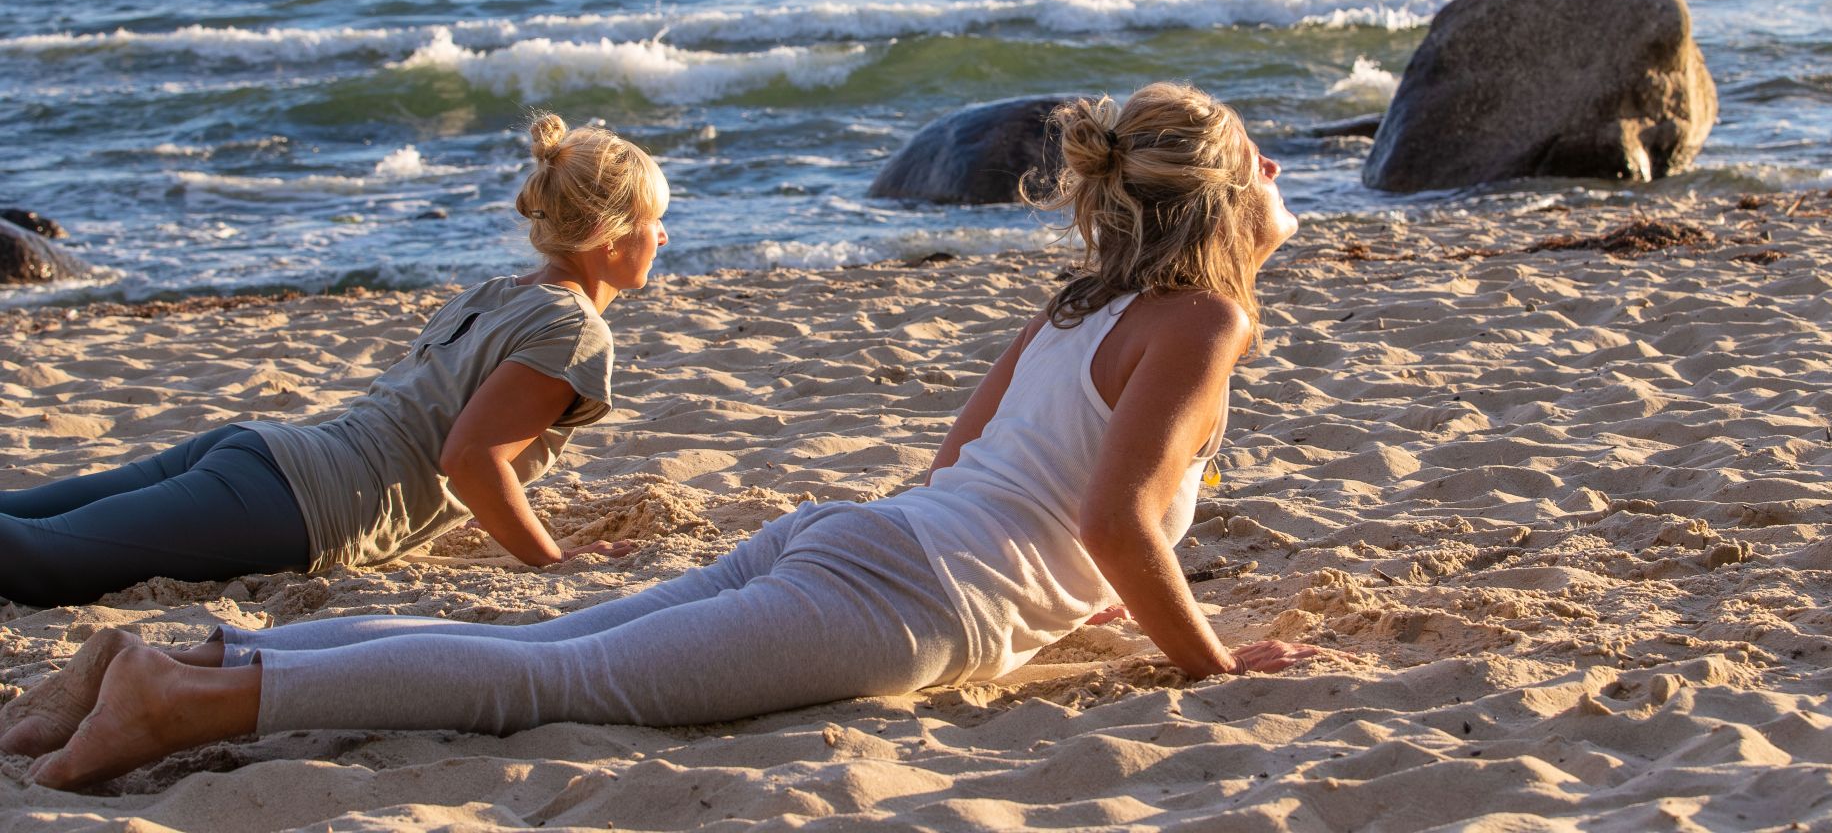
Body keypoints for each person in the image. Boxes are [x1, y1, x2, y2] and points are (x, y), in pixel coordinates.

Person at [5, 82, 1322, 792]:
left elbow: (969, 471)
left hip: (864, 543)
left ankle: (171, 657)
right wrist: (1210, 662)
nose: (1278, 175)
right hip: (904, 597)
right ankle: (190, 698)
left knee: (545, 647)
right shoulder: (1206, 322)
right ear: (1221, 201)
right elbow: (1113, 521)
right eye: (1263, 159)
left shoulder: (1080, 306)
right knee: (551, 681)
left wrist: (1074, 596)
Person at [0, 113, 670, 614]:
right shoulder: (575, 330)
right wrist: (552, 560)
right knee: (36, 559)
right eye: (653, 220)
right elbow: (470, 459)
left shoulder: (496, 293)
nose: (663, 236)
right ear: (608, 235)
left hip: (266, 453)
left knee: (24, 519)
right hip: (296, 502)